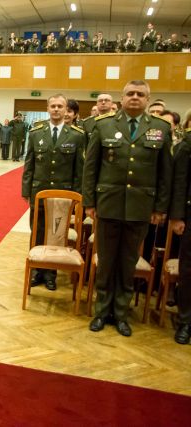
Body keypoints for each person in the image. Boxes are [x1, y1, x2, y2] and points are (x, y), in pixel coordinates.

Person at [83, 80, 173, 337]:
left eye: (140, 94)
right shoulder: (103, 125)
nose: (135, 97)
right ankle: (102, 311)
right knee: (106, 261)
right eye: (130, 93)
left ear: (147, 99)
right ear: (121, 98)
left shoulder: (161, 128)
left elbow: (165, 173)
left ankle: (120, 314)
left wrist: (160, 208)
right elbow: (91, 167)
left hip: (140, 206)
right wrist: (89, 202)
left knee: (128, 262)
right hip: (108, 204)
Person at [22, 94, 85, 291]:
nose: (56, 109)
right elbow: (29, 164)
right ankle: (36, 270)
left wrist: (77, 196)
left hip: (63, 194)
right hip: (39, 191)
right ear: (47, 109)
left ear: (66, 110)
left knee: (56, 235)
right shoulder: (36, 133)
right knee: (37, 231)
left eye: (60, 106)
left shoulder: (76, 135)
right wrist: (26, 190)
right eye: (53, 106)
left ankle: (51, 273)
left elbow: (79, 169)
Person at [170, 125, 191, 344]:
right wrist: (177, 216)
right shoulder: (188, 143)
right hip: (190, 215)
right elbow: (179, 181)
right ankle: (186, 320)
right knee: (188, 270)